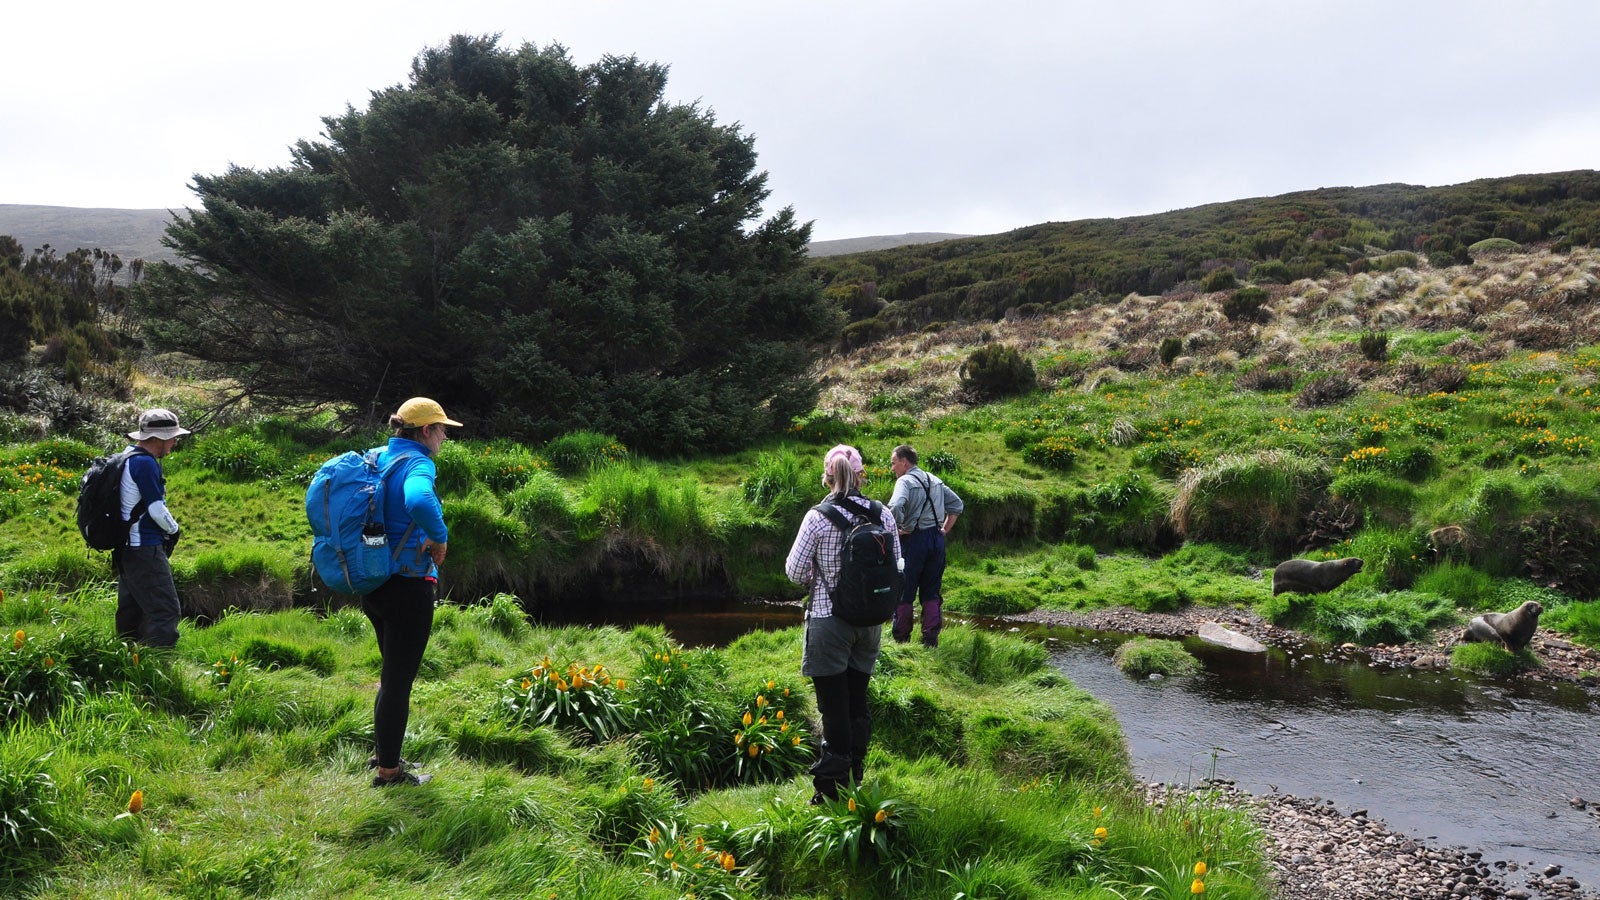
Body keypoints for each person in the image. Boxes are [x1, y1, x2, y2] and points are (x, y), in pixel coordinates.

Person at [785, 444, 902, 803]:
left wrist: (816, 576)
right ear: (861, 474)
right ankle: (856, 776)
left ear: (828, 476)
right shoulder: (883, 515)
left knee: (833, 709)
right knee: (857, 703)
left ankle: (830, 793)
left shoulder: (817, 517)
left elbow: (793, 571)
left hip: (828, 622)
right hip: (870, 624)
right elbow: (897, 563)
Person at [365, 397, 460, 788]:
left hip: (373, 581)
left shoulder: (378, 456)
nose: (443, 438)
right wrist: (440, 538)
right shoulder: (419, 462)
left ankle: (383, 753)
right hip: (408, 586)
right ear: (425, 431)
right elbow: (418, 499)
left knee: (391, 676)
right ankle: (389, 773)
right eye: (441, 430)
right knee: (398, 681)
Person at [115, 408, 191, 648]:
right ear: (157, 439)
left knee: (132, 609)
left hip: (125, 548)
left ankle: (128, 660)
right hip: (144, 548)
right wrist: (175, 529)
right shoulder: (145, 464)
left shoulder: (125, 456)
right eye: (172, 437)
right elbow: (156, 510)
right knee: (165, 611)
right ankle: (159, 672)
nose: (175, 442)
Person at [887, 444, 963, 648]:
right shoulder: (935, 480)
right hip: (936, 541)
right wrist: (944, 530)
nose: (892, 468)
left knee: (904, 590)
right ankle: (930, 640)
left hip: (914, 541)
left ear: (904, 462)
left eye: (894, 463)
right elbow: (957, 505)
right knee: (931, 592)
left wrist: (900, 528)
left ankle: (901, 640)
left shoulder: (904, 481)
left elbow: (894, 506)